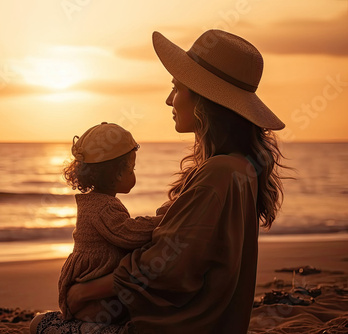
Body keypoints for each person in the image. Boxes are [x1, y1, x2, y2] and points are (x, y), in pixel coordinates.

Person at [34, 29, 287, 334]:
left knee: (40, 324)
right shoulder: (239, 167)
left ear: (203, 100)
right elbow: (178, 240)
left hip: (177, 327)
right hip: (213, 323)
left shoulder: (218, 173)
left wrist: (83, 292)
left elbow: (165, 266)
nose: (169, 100)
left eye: (176, 88)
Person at [30, 122, 163, 334]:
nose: (133, 174)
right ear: (118, 175)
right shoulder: (104, 206)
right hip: (92, 292)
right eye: (132, 169)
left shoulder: (96, 202)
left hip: (87, 286)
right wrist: (162, 220)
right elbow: (128, 234)